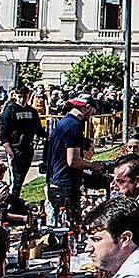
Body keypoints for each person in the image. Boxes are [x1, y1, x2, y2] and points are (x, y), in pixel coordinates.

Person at [46, 93, 98, 223]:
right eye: (93, 112)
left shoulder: (64, 122)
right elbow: (73, 161)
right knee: (71, 228)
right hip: (65, 185)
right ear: (87, 107)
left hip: (57, 182)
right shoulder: (74, 126)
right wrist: (92, 165)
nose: (91, 115)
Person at [0, 84, 46, 193]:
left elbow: (38, 129)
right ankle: (10, 201)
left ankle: (16, 199)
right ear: (15, 96)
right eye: (19, 96)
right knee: (14, 179)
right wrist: (7, 148)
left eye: (24, 96)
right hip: (15, 149)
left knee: (21, 178)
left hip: (28, 149)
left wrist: (50, 136)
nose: (22, 99)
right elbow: (2, 131)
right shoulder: (10, 111)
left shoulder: (32, 112)